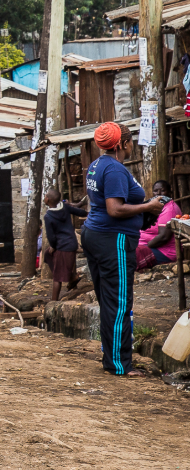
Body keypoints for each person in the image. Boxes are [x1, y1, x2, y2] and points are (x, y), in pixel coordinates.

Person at [81, 122, 164, 376]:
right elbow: (115, 209)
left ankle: (113, 357)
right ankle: (119, 364)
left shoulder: (96, 165)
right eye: (130, 142)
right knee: (118, 302)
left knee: (109, 301)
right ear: (122, 144)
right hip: (112, 239)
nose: (132, 146)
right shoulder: (115, 169)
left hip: (95, 234)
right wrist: (148, 207)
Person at [41, 188, 87, 301]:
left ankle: (54, 302)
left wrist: (53, 246)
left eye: (45, 195)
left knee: (57, 278)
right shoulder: (64, 207)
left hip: (62, 247)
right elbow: (80, 212)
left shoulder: (48, 216)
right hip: (71, 243)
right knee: (47, 255)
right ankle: (71, 277)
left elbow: (51, 236)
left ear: (47, 200)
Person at [137, 179, 182, 271]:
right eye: (155, 191)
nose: (159, 193)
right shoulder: (154, 206)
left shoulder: (169, 208)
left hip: (164, 252)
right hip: (145, 246)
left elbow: (163, 237)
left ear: (170, 192)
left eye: (162, 190)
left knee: (130, 256)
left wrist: (144, 247)